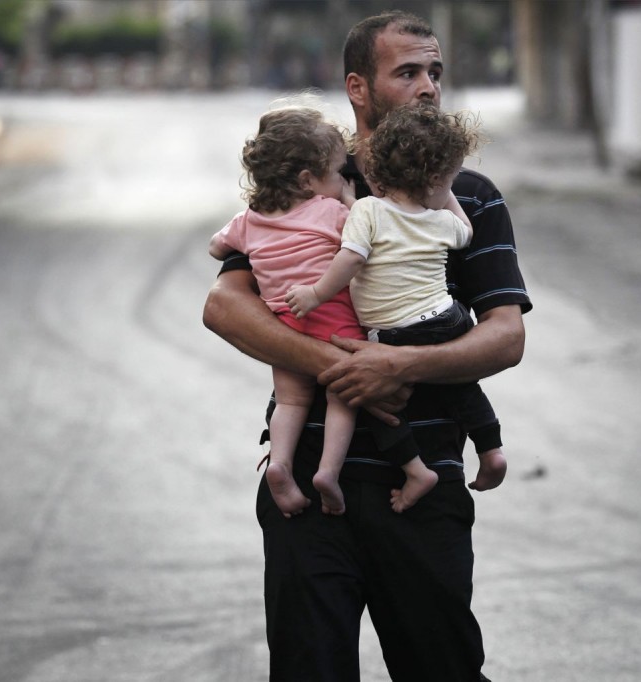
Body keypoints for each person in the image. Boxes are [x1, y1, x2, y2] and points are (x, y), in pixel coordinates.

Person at [203, 10, 531, 681]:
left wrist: (401, 364)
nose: (429, 88)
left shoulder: (467, 195)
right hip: (307, 494)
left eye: (435, 72)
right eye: (408, 72)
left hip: (422, 483)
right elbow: (225, 305)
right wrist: (340, 366)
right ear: (359, 87)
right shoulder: (313, 174)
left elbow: (506, 335)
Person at [285, 102, 508, 514]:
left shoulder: (367, 210)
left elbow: (351, 258)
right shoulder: (440, 220)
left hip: (389, 333)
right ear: (437, 180)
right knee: (462, 387)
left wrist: (316, 294)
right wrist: (444, 197)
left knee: (377, 405)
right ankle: (491, 448)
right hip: (446, 318)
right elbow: (466, 231)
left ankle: (415, 470)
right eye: (450, 178)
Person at [208, 105, 364, 518]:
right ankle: (328, 472)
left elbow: (216, 247)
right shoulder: (331, 210)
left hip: (287, 325)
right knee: (342, 397)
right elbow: (362, 239)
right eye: (335, 173)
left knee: (291, 402)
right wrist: (350, 198)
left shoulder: (250, 219)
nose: (341, 179)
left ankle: (280, 464)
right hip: (334, 319)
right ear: (307, 181)